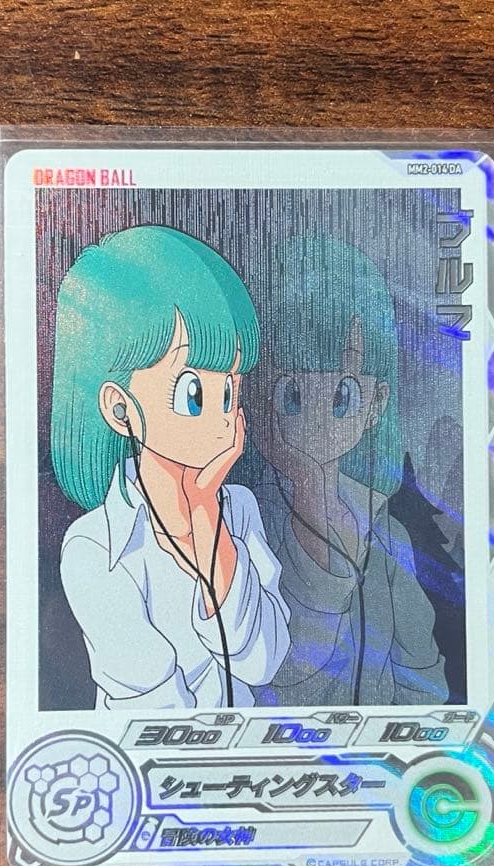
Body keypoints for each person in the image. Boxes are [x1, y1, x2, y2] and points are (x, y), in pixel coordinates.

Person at [50, 225, 290, 710]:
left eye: (230, 391)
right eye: (193, 394)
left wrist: (205, 512)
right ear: (120, 408)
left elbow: (263, 661)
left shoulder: (237, 510)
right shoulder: (95, 548)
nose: (223, 417)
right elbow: (151, 707)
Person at [243, 233, 448, 707]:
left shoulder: (388, 534)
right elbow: (291, 676)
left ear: (376, 403)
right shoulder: (250, 523)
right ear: (260, 391)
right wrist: (308, 486)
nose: (317, 419)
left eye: (342, 396)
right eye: (292, 393)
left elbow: (423, 677)